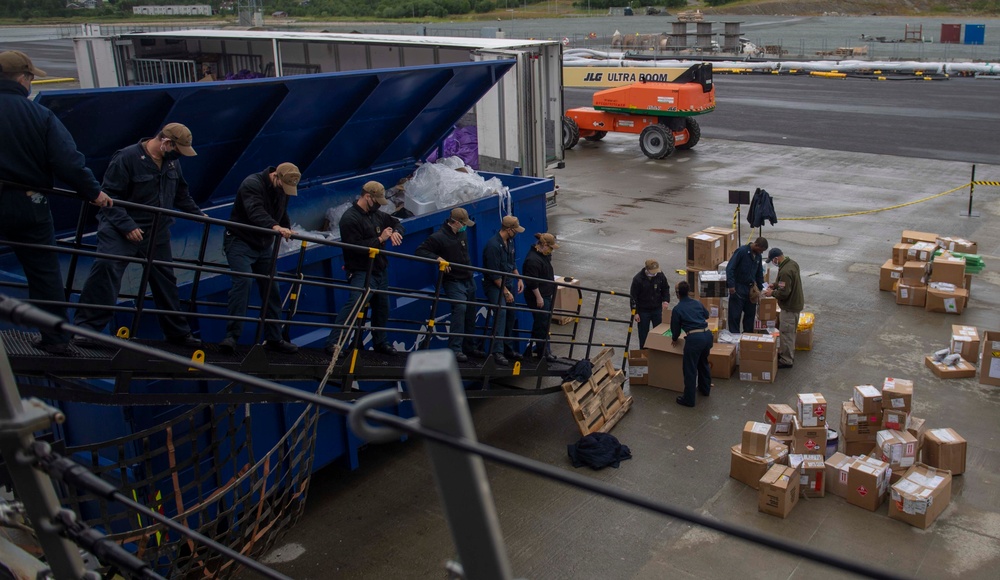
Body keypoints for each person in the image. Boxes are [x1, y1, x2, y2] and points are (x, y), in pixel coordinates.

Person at [0, 50, 114, 354]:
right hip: (29, 204)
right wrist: (94, 192)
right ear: (24, 79)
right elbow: (68, 162)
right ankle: (56, 339)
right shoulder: (39, 115)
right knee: (44, 274)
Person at [74, 123, 205, 348]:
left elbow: (181, 195)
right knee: (107, 268)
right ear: (165, 142)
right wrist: (127, 226)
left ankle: (177, 333)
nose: (179, 156)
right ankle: (86, 331)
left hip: (156, 230)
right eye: (177, 150)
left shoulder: (172, 162)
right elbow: (108, 197)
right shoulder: (126, 158)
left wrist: (200, 216)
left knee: (165, 279)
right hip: (120, 228)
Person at [219, 163, 302, 355]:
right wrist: (275, 227)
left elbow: (282, 211)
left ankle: (274, 337)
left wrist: (287, 228)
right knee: (243, 281)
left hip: (263, 245)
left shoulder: (283, 189)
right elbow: (254, 210)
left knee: (272, 287)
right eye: (284, 187)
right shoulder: (252, 183)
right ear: (276, 176)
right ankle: (231, 336)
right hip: (240, 240)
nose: (286, 192)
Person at [325, 181, 404, 356]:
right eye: (376, 201)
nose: (378, 205)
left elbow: (396, 222)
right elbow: (354, 246)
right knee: (354, 305)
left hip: (380, 269)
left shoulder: (376, 214)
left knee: (382, 308)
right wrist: (380, 239)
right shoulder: (349, 219)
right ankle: (334, 342)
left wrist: (397, 231)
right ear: (367, 196)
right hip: (361, 269)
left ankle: (380, 342)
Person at [414, 207, 483, 362]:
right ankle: (455, 348)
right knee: (460, 308)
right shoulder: (438, 237)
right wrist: (437, 258)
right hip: (453, 280)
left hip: (468, 278)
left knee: (471, 312)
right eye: (463, 224)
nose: (465, 227)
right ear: (455, 222)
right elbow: (420, 251)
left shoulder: (462, 233)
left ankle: (469, 346)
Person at [482, 215, 525, 367]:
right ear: (508, 229)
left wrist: (519, 279)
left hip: (508, 282)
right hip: (495, 285)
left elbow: (512, 263)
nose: (517, 233)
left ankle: (508, 348)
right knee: (502, 312)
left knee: (511, 314)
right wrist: (506, 292)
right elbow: (494, 275)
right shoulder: (493, 246)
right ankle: (497, 351)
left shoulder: (510, 241)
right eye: (516, 230)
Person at [670, 281, 713, 408]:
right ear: (688, 291)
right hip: (707, 336)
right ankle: (705, 390)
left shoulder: (678, 309)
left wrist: (674, 338)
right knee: (703, 362)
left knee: (690, 368)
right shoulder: (697, 303)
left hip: (694, 339)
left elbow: (675, 329)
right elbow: (706, 315)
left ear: (678, 294)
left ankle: (689, 399)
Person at [521, 232, 559, 362]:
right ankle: (543, 352)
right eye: (550, 247)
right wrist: (539, 297)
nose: (551, 250)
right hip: (538, 295)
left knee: (542, 323)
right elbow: (532, 281)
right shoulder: (533, 260)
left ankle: (538, 348)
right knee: (542, 323)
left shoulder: (542, 255)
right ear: (543, 245)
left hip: (545, 294)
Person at [763, 248, 803, 369]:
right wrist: (774, 285)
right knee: (789, 332)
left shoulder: (785, 271)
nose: (774, 263)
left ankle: (787, 360)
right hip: (795, 304)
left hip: (789, 307)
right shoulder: (791, 264)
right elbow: (785, 283)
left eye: (773, 260)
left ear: (776, 258)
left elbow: (784, 292)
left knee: (786, 333)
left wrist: (772, 293)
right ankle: (786, 353)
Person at [725, 236, 768, 334]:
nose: (761, 253)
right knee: (735, 315)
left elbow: (759, 274)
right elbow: (730, 268)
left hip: (751, 290)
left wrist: (762, 288)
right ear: (756, 245)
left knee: (750, 316)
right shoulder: (741, 251)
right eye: (760, 250)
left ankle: (747, 337)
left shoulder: (758, 256)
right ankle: (734, 338)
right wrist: (731, 285)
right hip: (738, 288)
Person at [629, 259, 670, 349]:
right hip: (643, 311)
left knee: (659, 331)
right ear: (647, 269)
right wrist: (635, 312)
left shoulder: (660, 275)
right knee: (643, 334)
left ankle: (659, 350)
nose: (655, 273)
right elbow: (633, 297)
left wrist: (666, 300)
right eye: (652, 272)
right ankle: (644, 352)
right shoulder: (638, 279)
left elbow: (665, 288)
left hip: (657, 309)